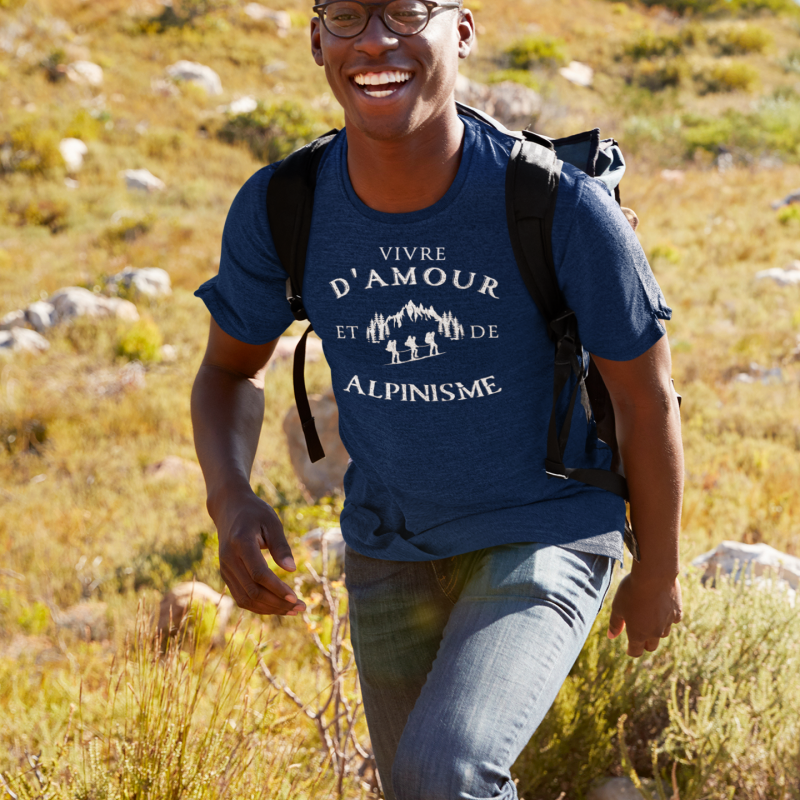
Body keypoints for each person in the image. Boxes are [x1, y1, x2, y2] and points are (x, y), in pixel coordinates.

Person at [190, 2, 684, 798]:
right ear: (317, 39)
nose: (375, 40)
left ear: (461, 30)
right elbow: (228, 372)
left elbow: (646, 396)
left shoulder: (558, 206)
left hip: (544, 527)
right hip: (388, 546)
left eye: (407, 11)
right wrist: (231, 496)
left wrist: (655, 572)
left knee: (443, 775)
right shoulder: (285, 205)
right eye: (347, 15)